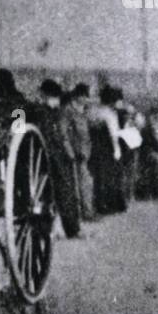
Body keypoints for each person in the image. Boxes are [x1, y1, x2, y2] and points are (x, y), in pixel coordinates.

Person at [35, 79, 82, 238]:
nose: (56, 101)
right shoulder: (41, 111)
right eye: (53, 97)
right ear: (43, 96)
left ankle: (56, 228)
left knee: (56, 193)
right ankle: (71, 228)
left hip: (43, 156)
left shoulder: (50, 111)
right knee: (65, 191)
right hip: (52, 157)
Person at [89, 86, 126, 214]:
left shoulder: (95, 111)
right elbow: (113, 134)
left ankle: (102, 204)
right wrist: (116, 149)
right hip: (107, 149)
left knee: (101, 178)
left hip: (97, 148)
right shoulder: (110, 114)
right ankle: (108, 204)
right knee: (108, 178)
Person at [65, 83, 96, 221]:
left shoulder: (84, 111)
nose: (85, 99)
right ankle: (84, 213)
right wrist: (70, 151)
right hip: (75, 153)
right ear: (77, 96)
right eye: (83, 96)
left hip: (84, 152)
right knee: (79, 185)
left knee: (85, 183)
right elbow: (64, 133)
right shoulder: (68, 110)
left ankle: (86, 212)